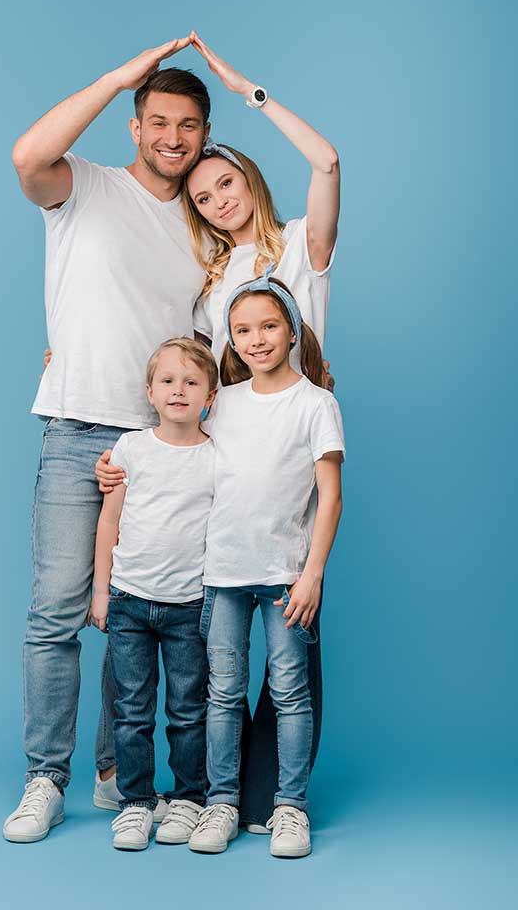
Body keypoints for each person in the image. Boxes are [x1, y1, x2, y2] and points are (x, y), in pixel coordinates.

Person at [95, 32, 341, 832]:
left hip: (292, 450)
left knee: (293, 651)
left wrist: (247, 91)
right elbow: (186, 371)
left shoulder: (300, 243)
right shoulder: (210, 286)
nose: (216, 199)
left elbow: (329, 162)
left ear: (248, 179)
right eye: (201, 197)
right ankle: (230, 798)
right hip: (228, 475)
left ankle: (280, 799)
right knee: (224, 663)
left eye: (225, 183)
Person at [3, 36, 215, 843]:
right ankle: (44, 780)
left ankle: (112, 776)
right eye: (157, 119)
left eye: (188, 125)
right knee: (57, 611)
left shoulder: (202, 229)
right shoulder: (82, 185)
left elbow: (210, 346)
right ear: (135, 125)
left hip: (159, 444)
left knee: (137, 612)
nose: (173, 137)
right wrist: (119, 75)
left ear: (202, 134)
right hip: (76, 425)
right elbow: (29, 153)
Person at [186, 268, 344, 858]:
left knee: (290, 692)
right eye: (242, 330)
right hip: (223, 573)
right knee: (222, 692)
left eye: (269, 326)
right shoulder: (219, 402)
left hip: (286, 578)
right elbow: (169, 425)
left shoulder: (316, 404)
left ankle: (289, 808)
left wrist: (313, 574)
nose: (256, 339)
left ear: (292, 329)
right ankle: (222, 802)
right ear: (229, 338)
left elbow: (330, 496)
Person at [89, 338, 217, 851]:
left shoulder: (217, 456)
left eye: (191, 382)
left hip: (189, 606)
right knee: (132, 710)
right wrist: (101, 593)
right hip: (128, 602)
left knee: (188, 709)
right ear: (149, 392)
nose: (178, 390)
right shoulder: (131, 449)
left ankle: (188, 799)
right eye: (167, 381)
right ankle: (136, 803)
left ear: (210, 394)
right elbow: (109, 523)